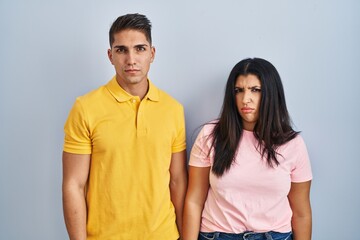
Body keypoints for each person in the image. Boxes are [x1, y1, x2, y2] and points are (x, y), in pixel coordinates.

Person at [62, 13, 187, 240]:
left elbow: (177, 180)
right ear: (110, 55)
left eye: (140, 49)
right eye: (121, 50)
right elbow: (74, 185)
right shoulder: (85, 107)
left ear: (152, 53)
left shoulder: (173, 109)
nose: (131, 59)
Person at [183, 58, 312, 240]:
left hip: (275, 236)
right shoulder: (210, 135)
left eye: (255, 90)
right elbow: (194, 200)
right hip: (218, 235)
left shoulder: (292, 144)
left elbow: (301, 213)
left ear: (271, 94)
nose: (246, 99)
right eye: (239, 90)